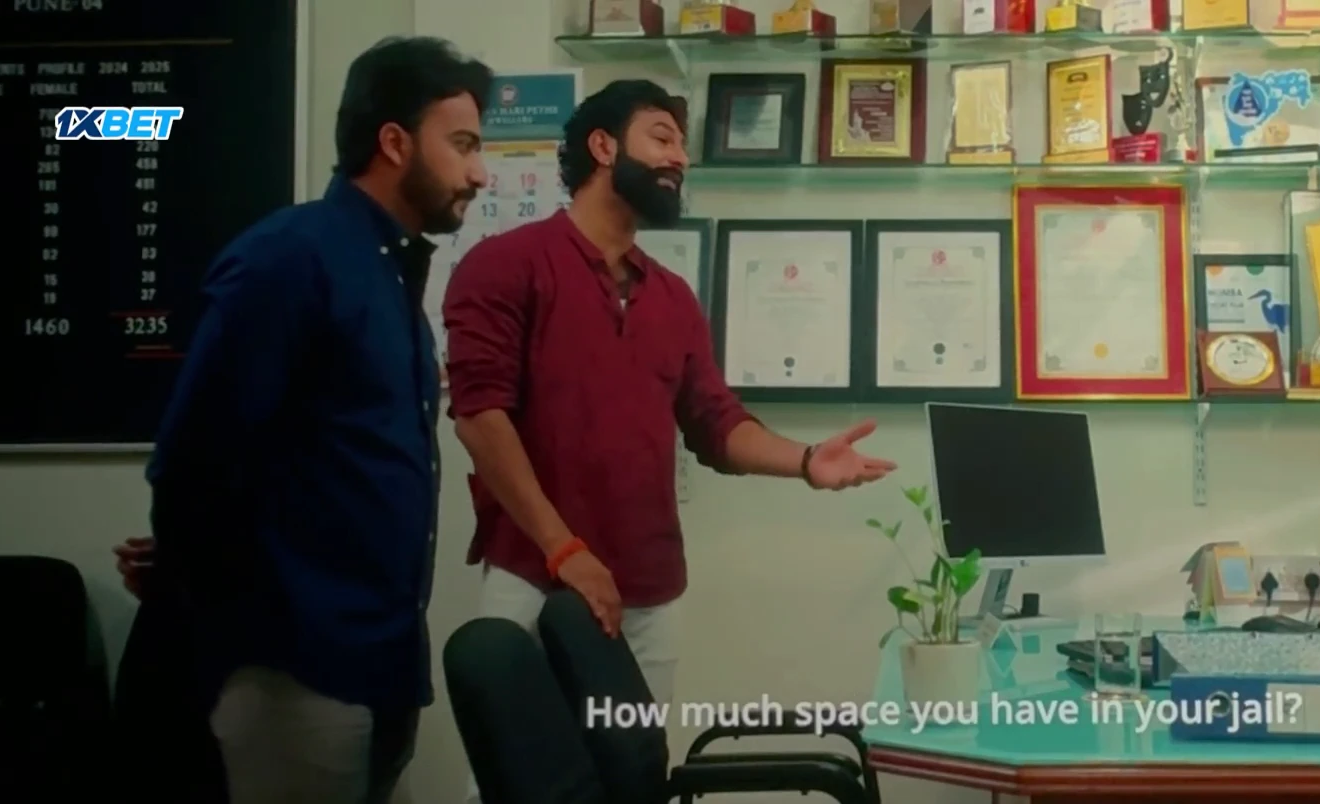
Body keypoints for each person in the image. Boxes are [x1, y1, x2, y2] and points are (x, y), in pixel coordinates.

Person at [442, 79, 893, 802]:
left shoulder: (672, 296)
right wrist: (564, 550)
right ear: (602, 146)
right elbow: (479, 417)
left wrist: (808, 462)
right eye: (661, 137)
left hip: (648, 595)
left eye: (683, 144)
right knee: (513, 789)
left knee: (635, 784)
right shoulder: (507, 264)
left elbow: (716, 423)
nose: (680, 157)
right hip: (533, 579)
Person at [133, 35, 490, 804]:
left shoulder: (389, 270)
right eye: (462, 144)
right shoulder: (291, 259)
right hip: (295, 670)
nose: (480, 172)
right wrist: (235, 612)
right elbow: (194, 466)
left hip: (382, 663)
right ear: (394, 142)